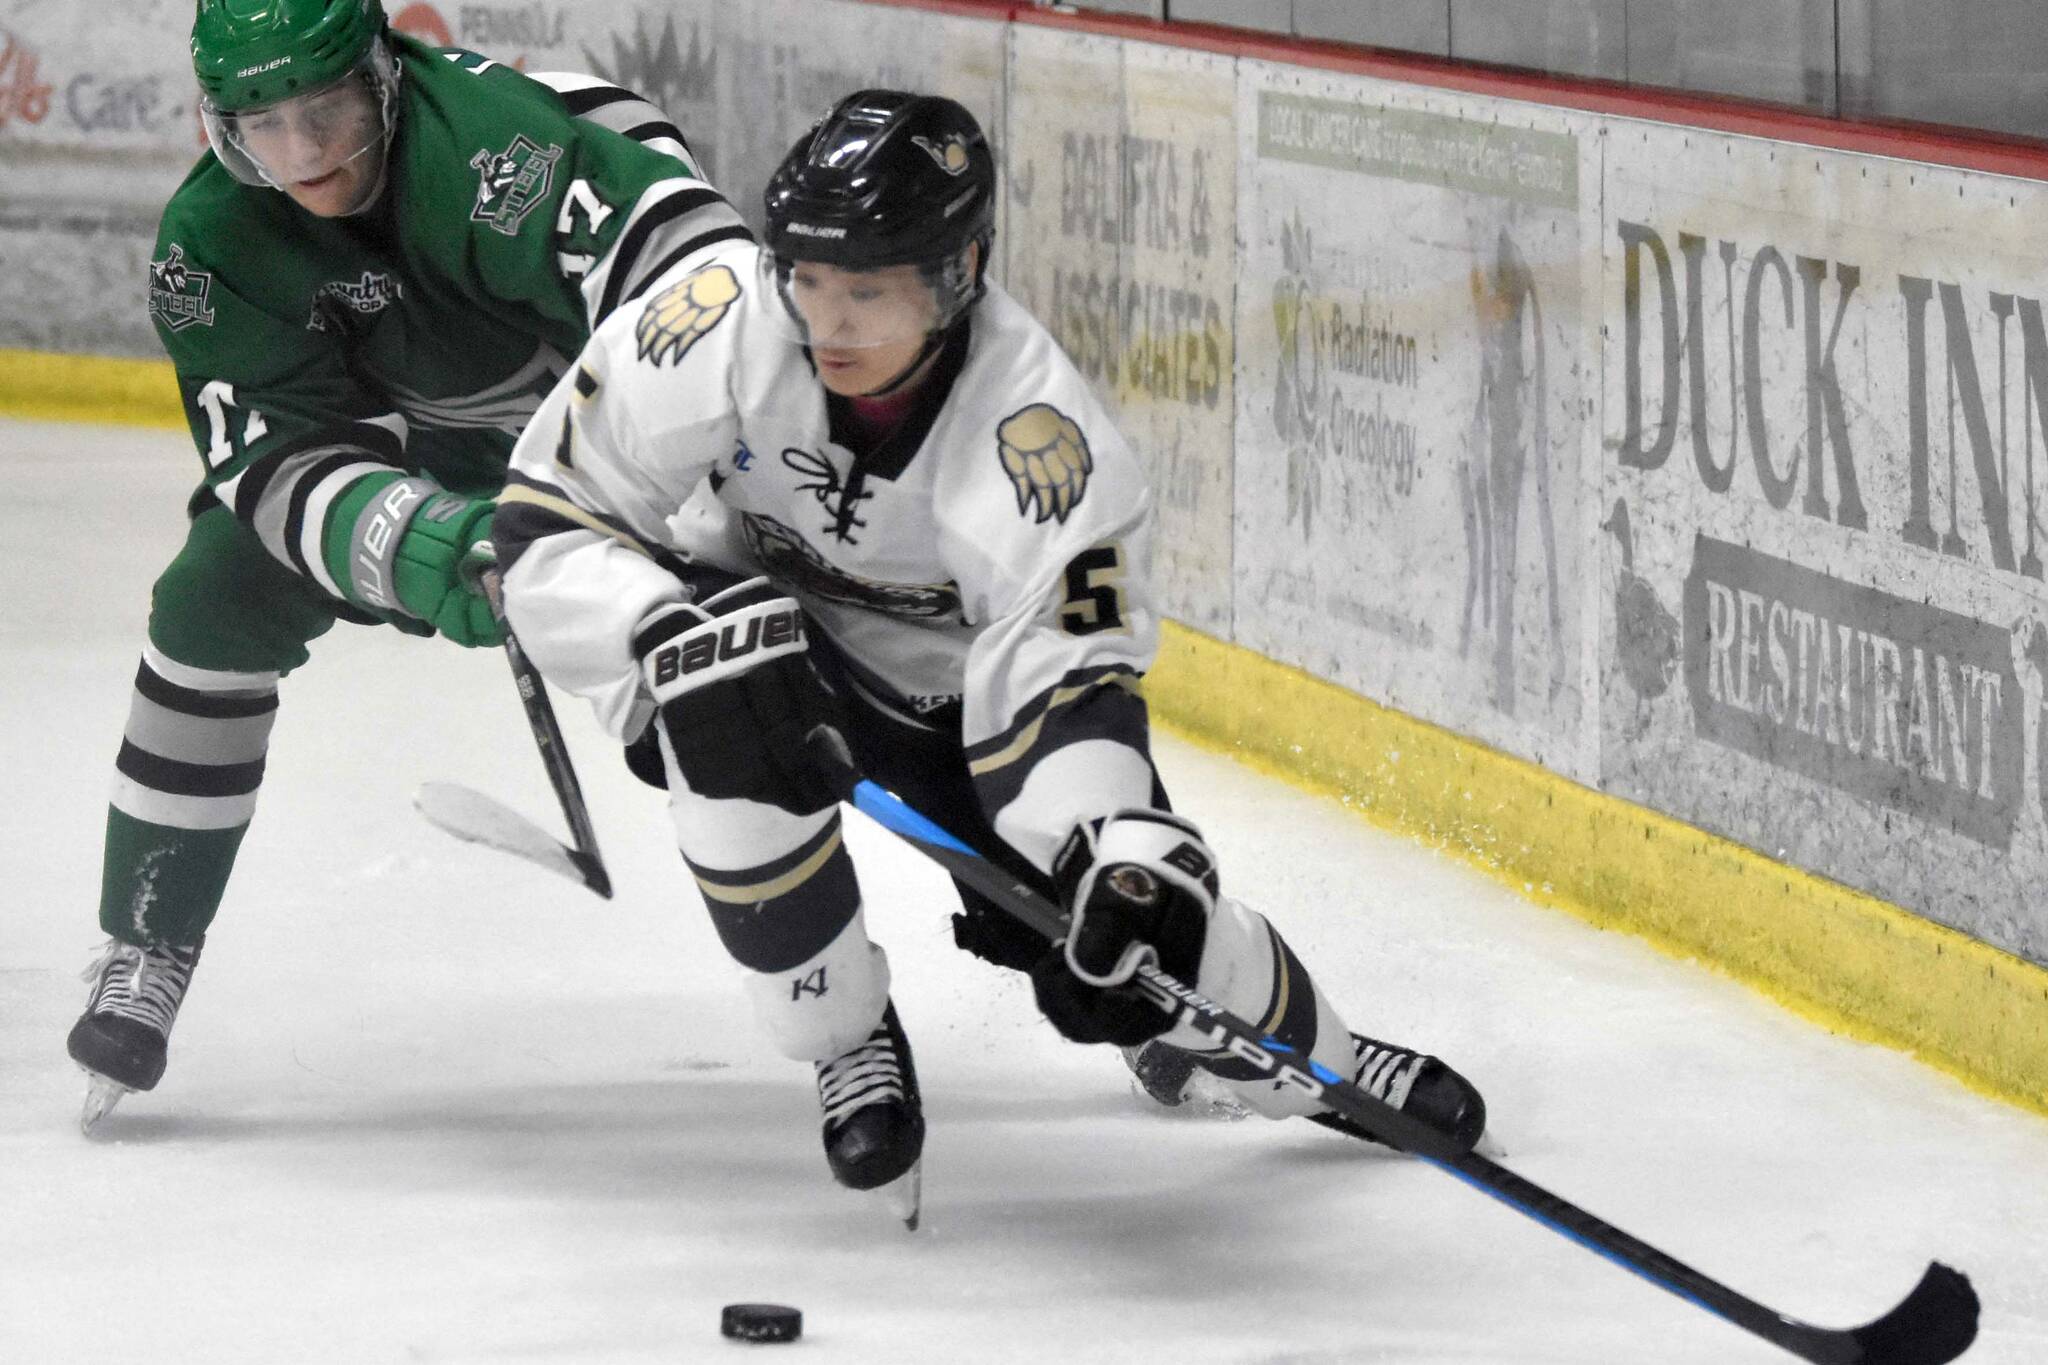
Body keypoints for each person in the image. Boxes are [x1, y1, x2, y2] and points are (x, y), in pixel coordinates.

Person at [492, 90, 1486, 1200]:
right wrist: (651, 638)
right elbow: (550, 513)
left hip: (953, 699)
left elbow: (1062, 687)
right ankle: (844, 1042)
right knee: (723, 737)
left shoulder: (1037, 440)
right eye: (809, 280)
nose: (828, 324)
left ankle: (1329, 1068)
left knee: (1141, 941)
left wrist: (1103, 847)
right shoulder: (717, 319)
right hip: (756, 618)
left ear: (957, 273)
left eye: (867, 290)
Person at [66, 0, 749, 1130]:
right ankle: (147, 936)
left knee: (769, 677)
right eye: (262, 126)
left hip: (628, 447)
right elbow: (280, 465)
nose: (303, 156)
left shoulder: (498, 149)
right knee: (212, 597)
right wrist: (425, 544)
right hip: (429, 460)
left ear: (384, 73)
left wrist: (634, 508)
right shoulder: (212, 245)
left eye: (325, 111)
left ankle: (1095, 907)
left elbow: (702, 286)